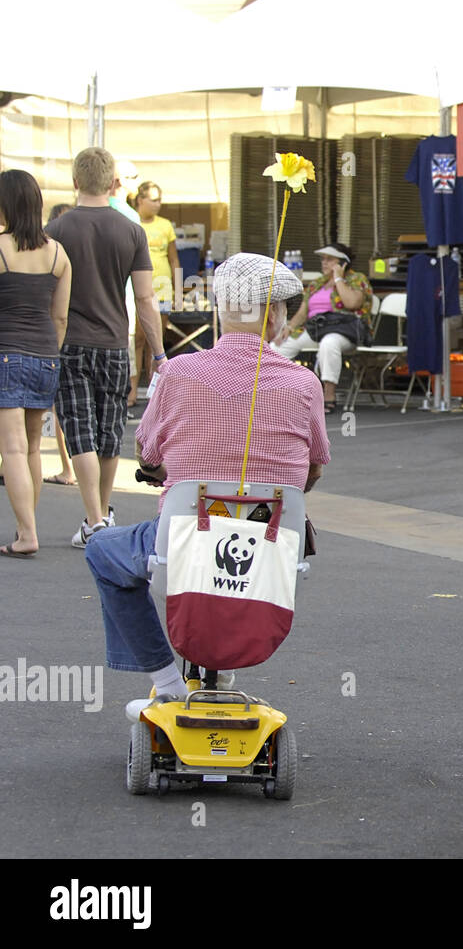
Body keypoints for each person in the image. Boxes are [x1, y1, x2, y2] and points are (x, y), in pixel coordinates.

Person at [85, 253, 329, 715]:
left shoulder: (176, 374)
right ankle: (217, 672)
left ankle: (167, 681)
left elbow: (150, 456)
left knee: (103, 550)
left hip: (181, 544)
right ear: (275, 316)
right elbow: (314, 468)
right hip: (270, 555)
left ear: (220, 309)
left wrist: (169, 470)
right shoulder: (304, 385)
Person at [46, 147, 166, 548]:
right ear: (113, 182)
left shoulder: (58, 232)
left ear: (75, 182)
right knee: (110, 428)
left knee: (80, 429)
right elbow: (146, 299)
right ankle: (102, 511)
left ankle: (94, 519)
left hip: (70, 342)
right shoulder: (132, 230)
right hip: (115, 342)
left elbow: (47, 292)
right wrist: (159, 353)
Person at [0, 169, 72, 557]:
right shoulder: (58, 253)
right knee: (31, 448)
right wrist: (50, 352)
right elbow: (60, 317)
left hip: (6, 353)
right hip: (46, 355)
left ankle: (27, 534)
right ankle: (25, 525)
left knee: (10, 450)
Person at [273, 242, 373, 415]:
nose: (324, 263)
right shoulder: (316, 284)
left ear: (343, 263)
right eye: (323, 259)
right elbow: (303, 313)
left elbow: (352, 303)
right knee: (278, 346)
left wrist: (339, 278)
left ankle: (329, 394)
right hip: (316, 328)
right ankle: (277, 391)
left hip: (344, 329)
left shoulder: (357, 279)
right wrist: (289, 327)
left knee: (329, 343)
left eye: (330, 259)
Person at [130, 181, 178, 404]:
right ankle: (132, 391)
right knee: (138, 340)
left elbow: (173, 257)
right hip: (140, 287)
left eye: (160, 200)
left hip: (163, 287)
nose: (158, 204)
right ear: (140, 200)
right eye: (153, 199)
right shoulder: (131, 221)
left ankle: (154, 393)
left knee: (156, 342)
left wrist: (178, 289)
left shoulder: (166, 225)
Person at [42, 204, 76, 488]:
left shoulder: (50, 253)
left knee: (61, 408)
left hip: (57, 338)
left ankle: (68, 468)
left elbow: (57, 313)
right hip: (95, 335)